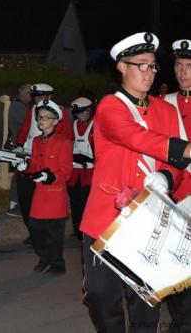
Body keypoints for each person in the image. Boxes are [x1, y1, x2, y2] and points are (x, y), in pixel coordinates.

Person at [80, 32, 191, 333]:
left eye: (153, 66)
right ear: (121, 67)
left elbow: (177, 166)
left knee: (145, 303)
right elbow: (133, 136)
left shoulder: (166, 110)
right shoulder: (109, 106)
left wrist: (166, 176)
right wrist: (185, 149)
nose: (149, 73)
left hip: (150, 219)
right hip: (108, 217)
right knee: (101, 296)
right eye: (140, 65)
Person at [19, 99, 72, 274]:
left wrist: (50, 176)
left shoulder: (63, 143)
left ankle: (56, 263)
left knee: (54, 234)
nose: (41, 121)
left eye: (46, 117)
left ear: (55, 121)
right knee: (35, 229)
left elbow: (66, 172)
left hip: (55, 195)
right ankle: (44, 257)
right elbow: (34, 165)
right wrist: (25, 167)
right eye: (40, 117)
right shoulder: (35, 141)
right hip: (40, 195)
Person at [163, 38, 191, 332]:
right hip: (174, 194)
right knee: (174, 261)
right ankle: (181, 320)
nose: (183, 72)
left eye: (189, 67)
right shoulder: (165, 103)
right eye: (179, 66)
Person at [68, 97, 95, 240]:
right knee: (75, 202)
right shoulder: (73, 125)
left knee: (87, 203)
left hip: (90, 172)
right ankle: (77, 229)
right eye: (77, 113)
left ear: (89, 110)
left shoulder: (96, 125)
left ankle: (86, 230)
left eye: (83, 112)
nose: (80, 116)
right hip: (75, 171)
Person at [5, 84, 32, 218]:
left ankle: (15, 204)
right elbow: (27, 125)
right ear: (25, 95)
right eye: (30, 94)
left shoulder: (17, 106)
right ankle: (15, 205)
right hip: (18, 146)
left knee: (20, 174)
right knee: (19, 175)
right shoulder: (19, 107)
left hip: (18, 145)